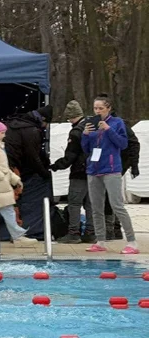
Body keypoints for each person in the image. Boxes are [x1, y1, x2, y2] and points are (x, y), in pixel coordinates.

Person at [81, 95, 138, 254]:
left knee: (117, 205)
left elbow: (123, 144)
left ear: (108, 108)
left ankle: (132, 241)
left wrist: (108, 129)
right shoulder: (90, 123)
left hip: (111, 169)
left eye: (101, 108)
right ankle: (100, 240)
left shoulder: (117, 123)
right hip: (93, 169)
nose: (98, 111)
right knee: (96, 207)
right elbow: (86, 149)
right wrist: (85, 135)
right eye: (95, 108)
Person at [50, 100, 94, 243]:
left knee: (74, 203)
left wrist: (55, 166)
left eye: (69, 118)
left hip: (79, 173)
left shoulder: (76, 132)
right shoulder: (92, 125)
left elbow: (71, 155)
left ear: (71, 116)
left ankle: (73, 233)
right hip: (95, 171)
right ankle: (90, 233)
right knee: (90, 203)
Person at [102, 99, 141, 239]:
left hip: (118, 163)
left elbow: (134, 144)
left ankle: (112, 229)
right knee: (110, 196)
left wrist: (134, 165)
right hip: (110, 163)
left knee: (111, 197)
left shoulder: (120, 124)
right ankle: (114, 228)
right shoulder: (100, 123)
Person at [3, 105, 53, 183]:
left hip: (3, 162)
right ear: (43, 118)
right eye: (47, 123)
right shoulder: (32, 130)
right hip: (13, 166)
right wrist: (46, 174)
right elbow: (33, 156)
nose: (46, 126)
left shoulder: (17, 122)